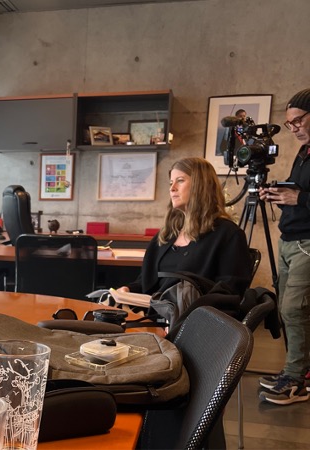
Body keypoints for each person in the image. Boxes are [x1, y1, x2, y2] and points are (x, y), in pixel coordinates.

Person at [117, 157, 252, 297]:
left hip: (194, 316)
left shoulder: (228, 234)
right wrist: (128, 290)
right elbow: (146, 283)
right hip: (152, 313)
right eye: (171, 182)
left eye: (180, 181)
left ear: (201, 185)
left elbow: (230, 291)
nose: (172, 188)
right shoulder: (166, 235)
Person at [257, 88, 310, 405]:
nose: (294, 129)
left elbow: (303, 197)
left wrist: (299, 198)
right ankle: (298, 372)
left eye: (299, 121)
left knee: (293, 309)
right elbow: (299, 194)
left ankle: (294, 381)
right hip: (289, 239)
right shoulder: (303, 153)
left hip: (307, 243)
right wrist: (277, 193)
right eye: (289, 124)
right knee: (289, 310)